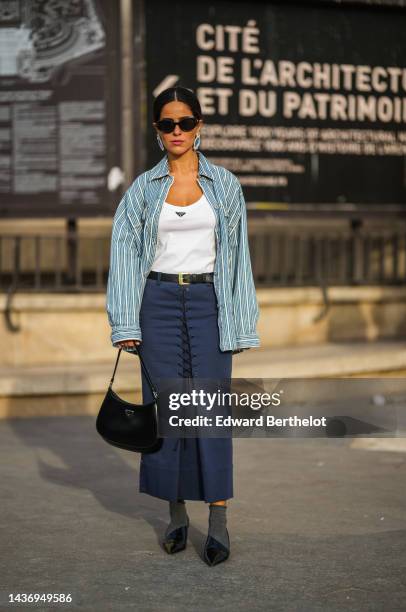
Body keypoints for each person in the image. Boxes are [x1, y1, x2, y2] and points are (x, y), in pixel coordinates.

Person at [106, 86, 260, 566]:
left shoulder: (225, 185)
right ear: (157, 131)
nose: (177, 131)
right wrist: (125, 322)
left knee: (210, 414)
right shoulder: (141, 190)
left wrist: (240, 322)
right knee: (167, 412)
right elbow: (124, 257)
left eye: (186, 122)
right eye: (168, 124)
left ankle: (217, 522)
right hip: (157, 303)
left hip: (209, 301)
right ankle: (176, 517)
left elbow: (238, 261)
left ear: (200, 127)